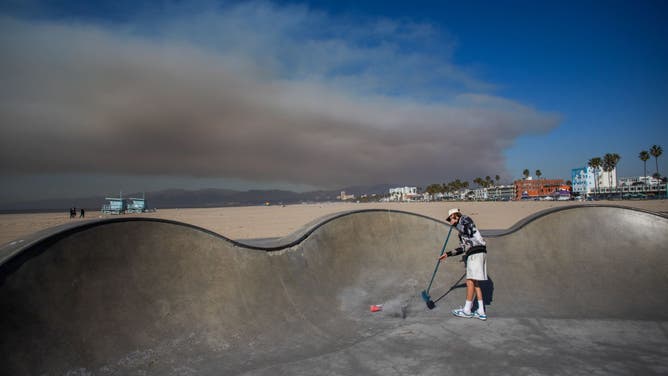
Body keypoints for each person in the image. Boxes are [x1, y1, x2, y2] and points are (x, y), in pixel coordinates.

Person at [439, 208, 488, 320]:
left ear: (454, 216)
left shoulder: (465, 219)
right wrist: (448, 254)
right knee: (475, 283)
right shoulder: (461, 232)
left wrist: (456, 224)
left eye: (450, 219)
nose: (450, 222)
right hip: (477, 252)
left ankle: (467, 310)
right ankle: (481, 311)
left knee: (469, 281)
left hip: (476, 252)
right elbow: (463, 248)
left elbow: (469, 230)